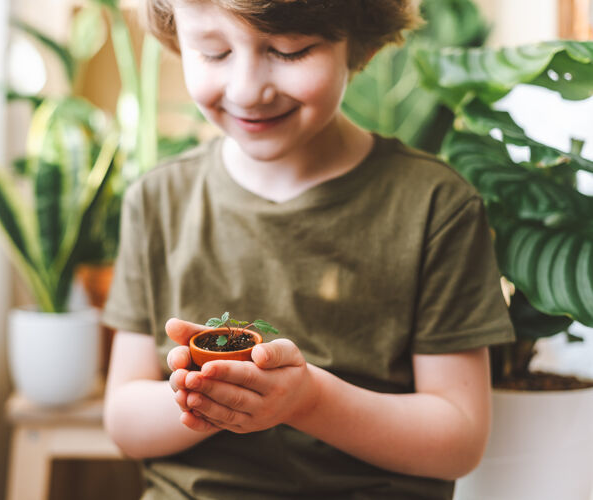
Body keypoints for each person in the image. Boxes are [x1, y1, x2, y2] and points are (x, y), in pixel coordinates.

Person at [101, 1, 515, 498]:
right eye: (213, 53)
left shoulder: (435, 206)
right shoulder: (156, 200)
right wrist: (215, 396)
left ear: (358, 40)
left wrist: (307, 401)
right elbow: (123, 419)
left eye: (289, 50)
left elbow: (458, 439)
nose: (248, 90)